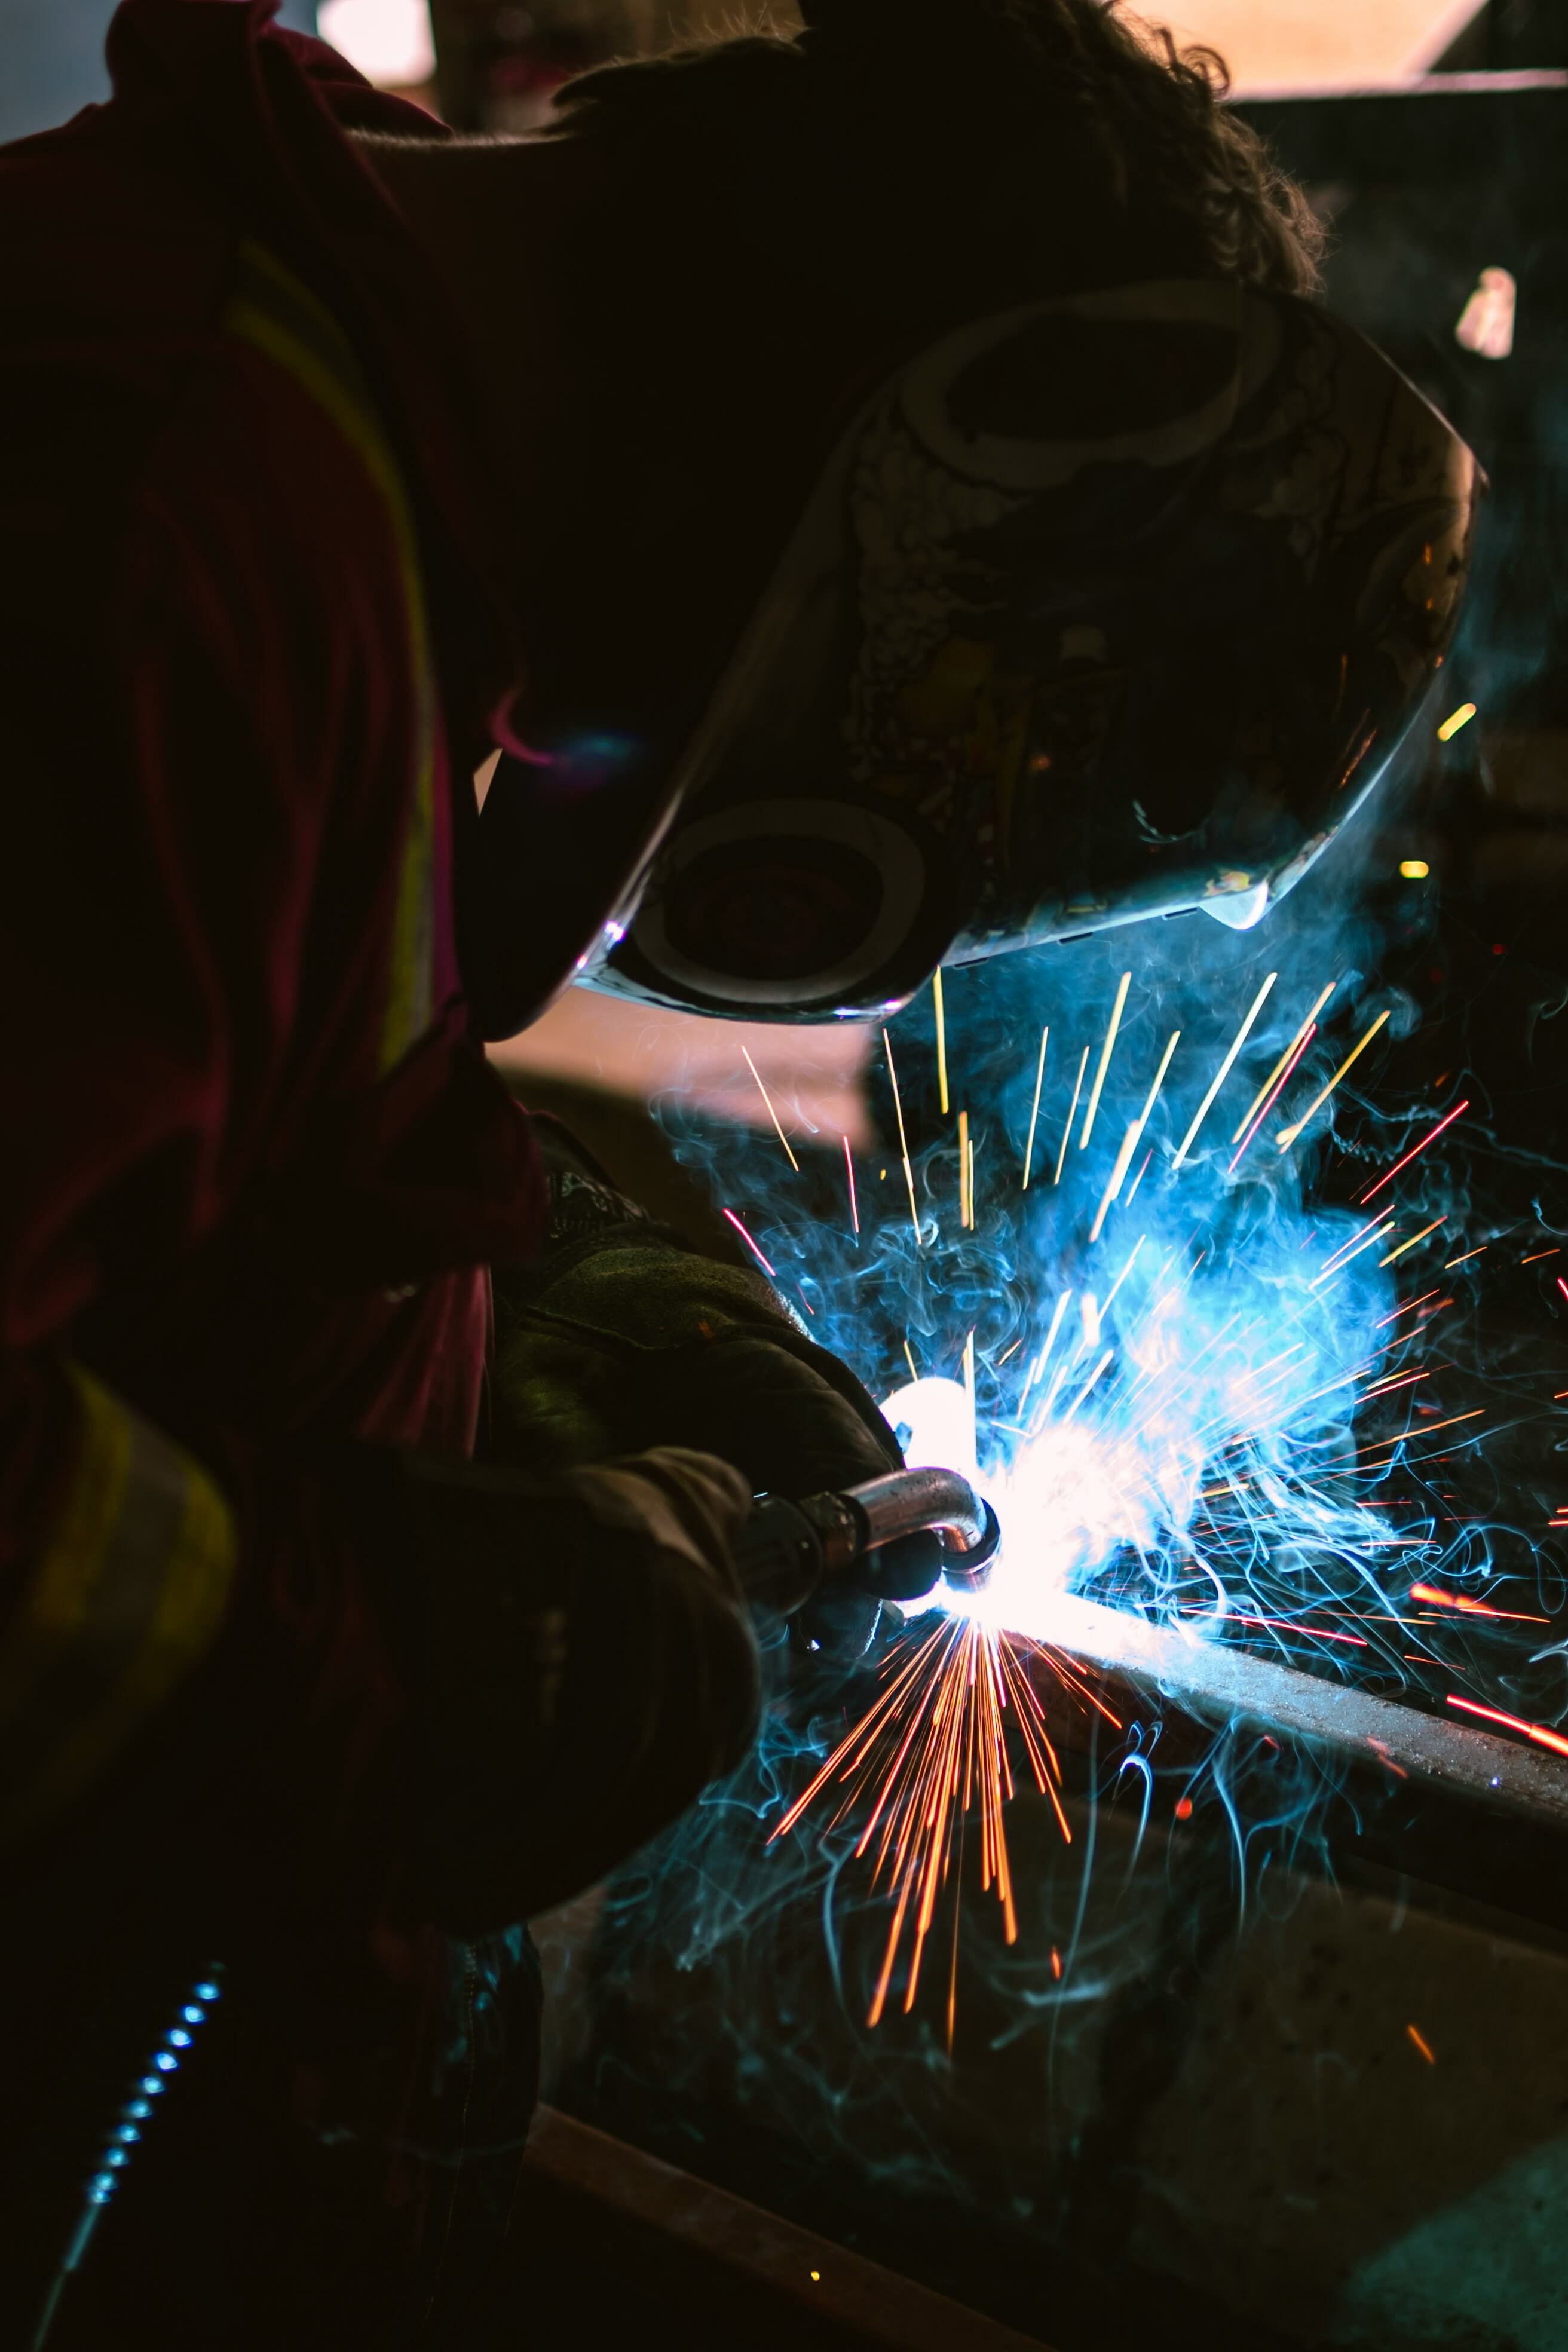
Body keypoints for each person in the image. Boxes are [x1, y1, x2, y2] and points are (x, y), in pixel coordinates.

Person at [0, 1, 1475, 2343]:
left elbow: (213, 1143)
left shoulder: (312, 485)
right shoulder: (162, 515)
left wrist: (581, 1317)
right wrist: (381, 1662)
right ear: (919, 479)